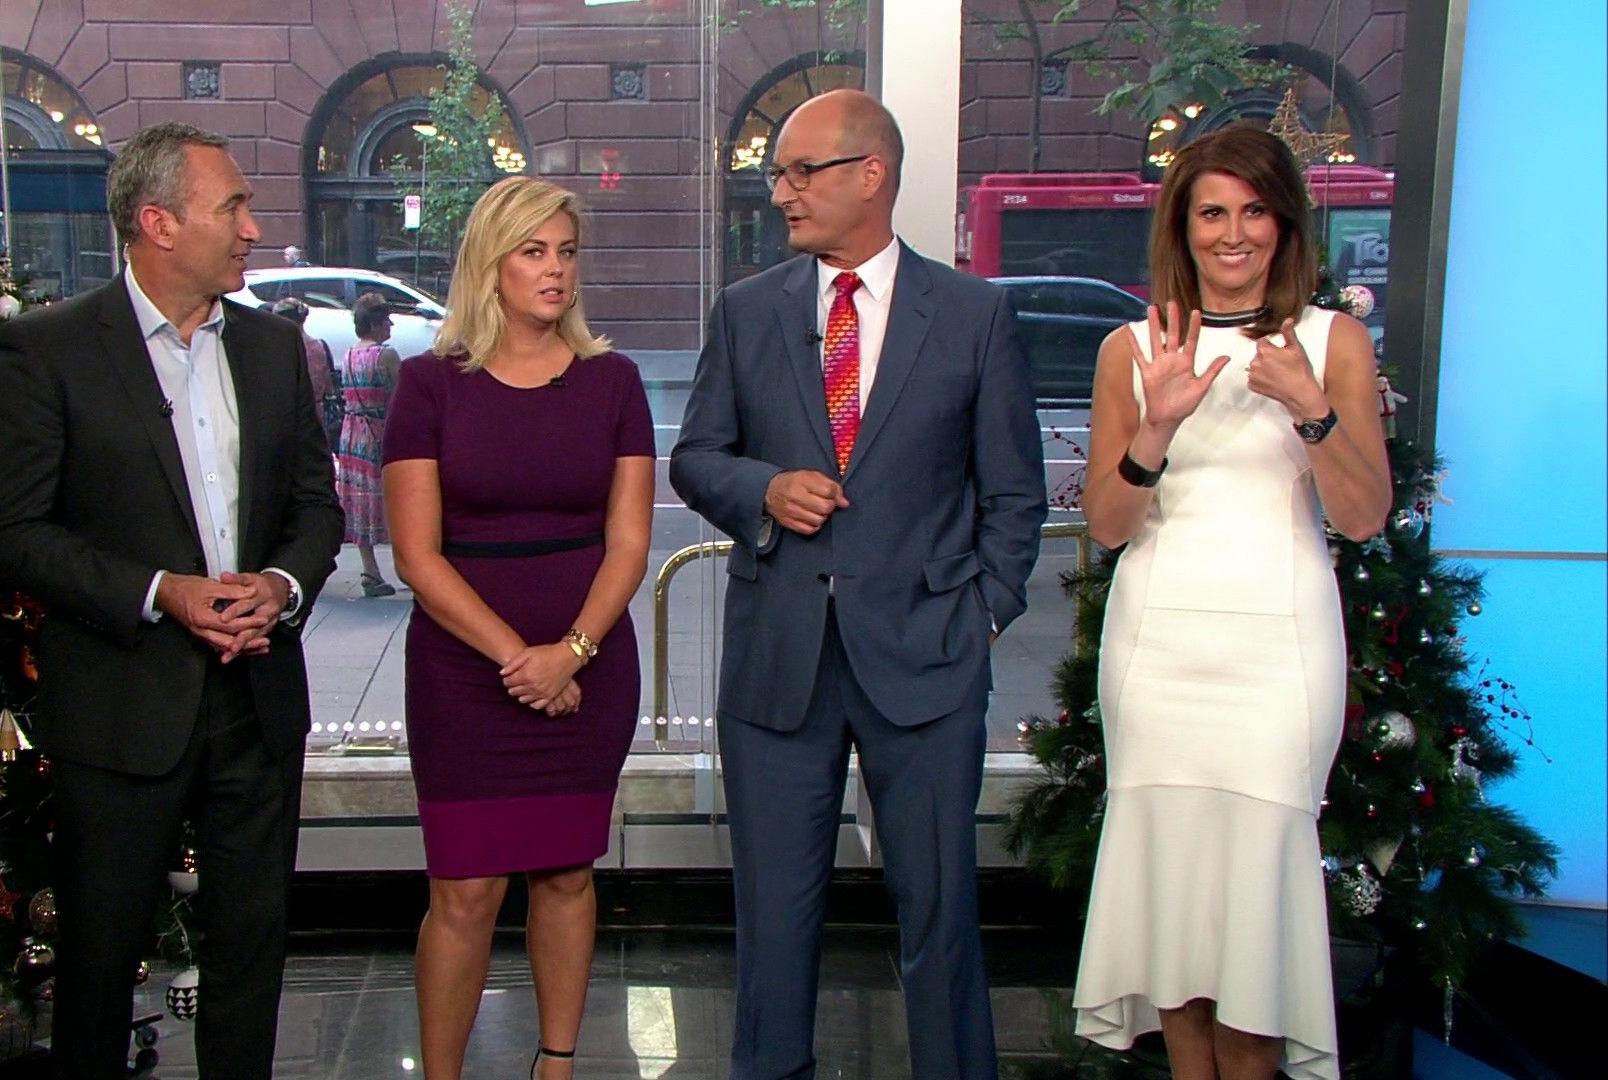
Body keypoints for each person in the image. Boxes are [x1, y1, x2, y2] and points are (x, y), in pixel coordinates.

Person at [669, 89, 1047, 1080]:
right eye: (777, 175)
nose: (781, 193)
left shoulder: (972, 315)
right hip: (778, 665)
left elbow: (1015, 494)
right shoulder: (748, 312)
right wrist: (762, 489)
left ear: (871, 174)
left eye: (802, 172)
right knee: (773, 921)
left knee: (940, 914)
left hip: (928, 660)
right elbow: (696, 457)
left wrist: (981, 616)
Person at [0, 121, 343, 1079]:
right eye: (233, 208)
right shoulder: (50, 349)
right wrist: (159, 592)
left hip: (256, 700)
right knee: (99, 958)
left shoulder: (273, 348)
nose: (253, 228)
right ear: (158, 223)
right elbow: (3, 531)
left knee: (250, 949)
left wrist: (280, 586)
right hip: (119, 705)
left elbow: (316, 507)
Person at [1072, 125, 1392, 1080]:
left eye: (1254, 211)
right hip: (1158, 657)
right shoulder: (1131, 349)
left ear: (1284, 223)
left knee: (1255, 917)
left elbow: (1364, 517)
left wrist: (1311, 409)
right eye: (1212, 212)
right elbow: (1109, 524)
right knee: (1174, 919)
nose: (1233, 233)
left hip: (1277, 663)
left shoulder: (1332, 342)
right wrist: (1157, 427)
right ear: (1183, 226)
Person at [382, 175, 654, 1080]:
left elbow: (629, 544)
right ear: (489, 265)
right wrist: (518, 660)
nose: (555, 270)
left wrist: (570, 654)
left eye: (566, 252)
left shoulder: (614, 382)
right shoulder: (427, 385)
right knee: (465, 888)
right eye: (533, 252)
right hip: (464, 674)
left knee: (567, 873)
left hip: (590, 663)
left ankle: (556, 1066)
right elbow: (417, 555)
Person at [340, 291, 403, 597]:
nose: (390, 325)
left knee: (360, 499)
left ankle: (370, 569)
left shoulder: (349, 354)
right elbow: (403, 399)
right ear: (376, 324)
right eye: (387, 320)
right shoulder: (385, 356)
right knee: (394, 499)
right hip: (379, 432)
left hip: (351, 433)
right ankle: (409, 566)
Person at [267, 296, 343, 452]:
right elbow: (328, 387)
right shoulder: (319, 346)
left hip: (288, 420)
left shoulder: (279, 349)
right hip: (316, 417)